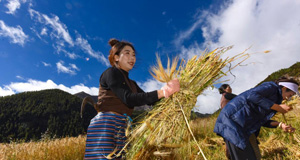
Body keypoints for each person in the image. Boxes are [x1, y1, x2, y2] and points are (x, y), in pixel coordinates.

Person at [83, 38, 180, 160]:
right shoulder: (111, 73)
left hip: (124, 127)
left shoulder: (132, 84)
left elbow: (150, 100)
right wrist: (162, 92)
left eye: (133, 55)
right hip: (106, 125)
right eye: (127, 53)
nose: (132, 58)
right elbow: (128, 99)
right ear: (116, 57)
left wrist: (172, 95)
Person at [214, 77, 298, 160]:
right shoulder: (271, 87)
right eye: (290, 95)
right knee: (244, 156)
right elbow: (252, 95)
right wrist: (278, 107)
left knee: (255, 155)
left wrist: (280, 125)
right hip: (233, 123)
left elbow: (262, 120)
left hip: (246, 126)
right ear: (284, 88)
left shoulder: (274, 99)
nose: (288, 98)